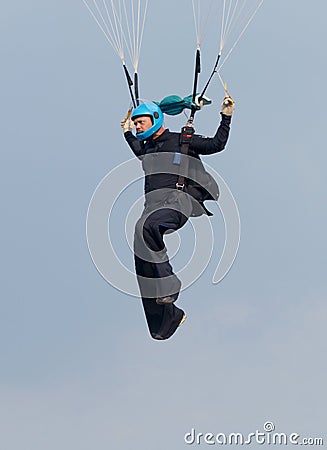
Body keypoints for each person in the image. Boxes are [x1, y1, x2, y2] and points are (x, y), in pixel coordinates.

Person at [121, 95, 234, 340]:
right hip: (152, 207)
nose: (138, 126)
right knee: (141, 249)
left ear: (155, 119)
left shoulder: (181, 140)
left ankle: (171, 284)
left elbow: (216, 145)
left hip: (178, 202)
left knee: (148, 225)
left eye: (140, 122)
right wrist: (127, 131)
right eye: (136, 123)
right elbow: (136, 146)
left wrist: (226, 117)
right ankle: (167, 318)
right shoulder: (148, 148)